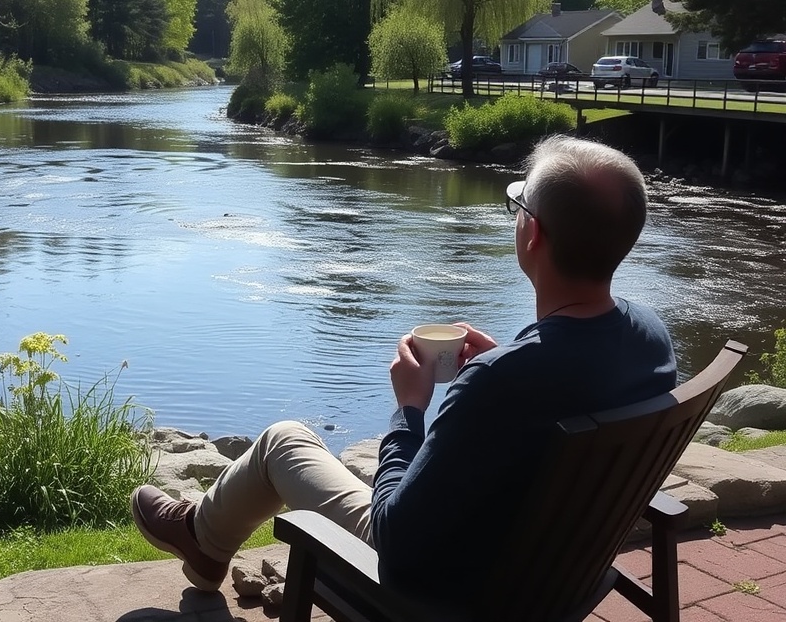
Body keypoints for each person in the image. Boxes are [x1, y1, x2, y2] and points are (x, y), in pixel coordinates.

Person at [131, 135, 677, 606]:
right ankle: (202, 536)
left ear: (533, 234)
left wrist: (409, 409)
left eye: (519, 207)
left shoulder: (497, 382)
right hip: (555, 572)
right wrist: (504, 358)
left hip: (445, 590)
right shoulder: (651, 336)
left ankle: (203, 539)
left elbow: (394, 533)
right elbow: (564, 377)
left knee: (284, 441)